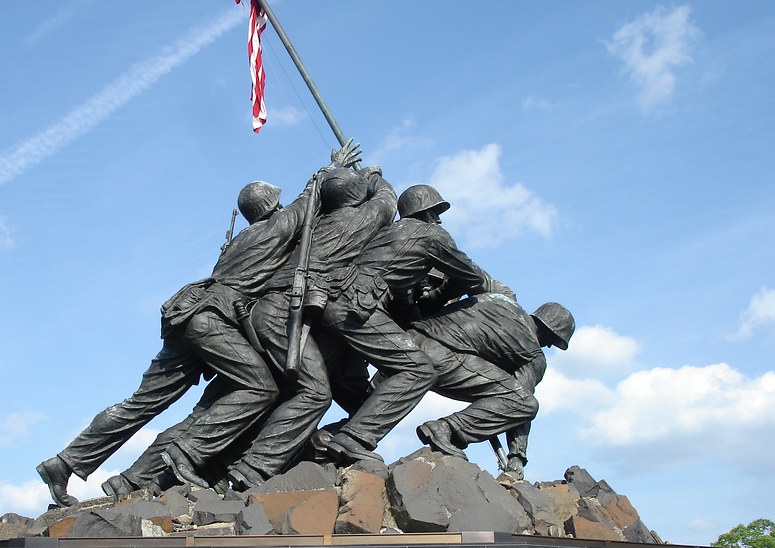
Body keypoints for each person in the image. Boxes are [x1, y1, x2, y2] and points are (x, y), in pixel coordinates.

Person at [35, 145, 362, 506]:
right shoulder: (274, 229)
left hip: (187, 316)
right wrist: (330, 169)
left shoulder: (239, 241)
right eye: (278, 202)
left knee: (141, 404)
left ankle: (66, 462)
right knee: (260, 388)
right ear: (271, 205)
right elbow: (308, 202)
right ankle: (186, 452)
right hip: (212, 320)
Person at [224, 164, 397, 489]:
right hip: (284, 311)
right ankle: (253, 468)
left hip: (296, 316)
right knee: (315, 393)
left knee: (347, 399)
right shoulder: (359, 219)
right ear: (357, 196)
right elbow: (387, 201)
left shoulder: (309, 227)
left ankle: (315, 448)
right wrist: (375, 176)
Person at [310, 184, 497, 465]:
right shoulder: (433, 235)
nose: (439, 219)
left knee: (326, 388)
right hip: (357, 305)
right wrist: (440, 295)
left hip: (332, 302)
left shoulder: (389, 233)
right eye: (436, 212)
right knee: (418, 370)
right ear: (424, 212)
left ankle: (310, 448)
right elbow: (472, 278)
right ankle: (354, 439)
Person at [409, 290, 575, 480]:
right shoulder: (532, 352)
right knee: (526, 403)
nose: (548, 346)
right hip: (439, 357)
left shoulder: (499, 300)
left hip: (407, 340)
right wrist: (517, 456)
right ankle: (446, 429)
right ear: (548, 330)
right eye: (553, 341)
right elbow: (519, 402)